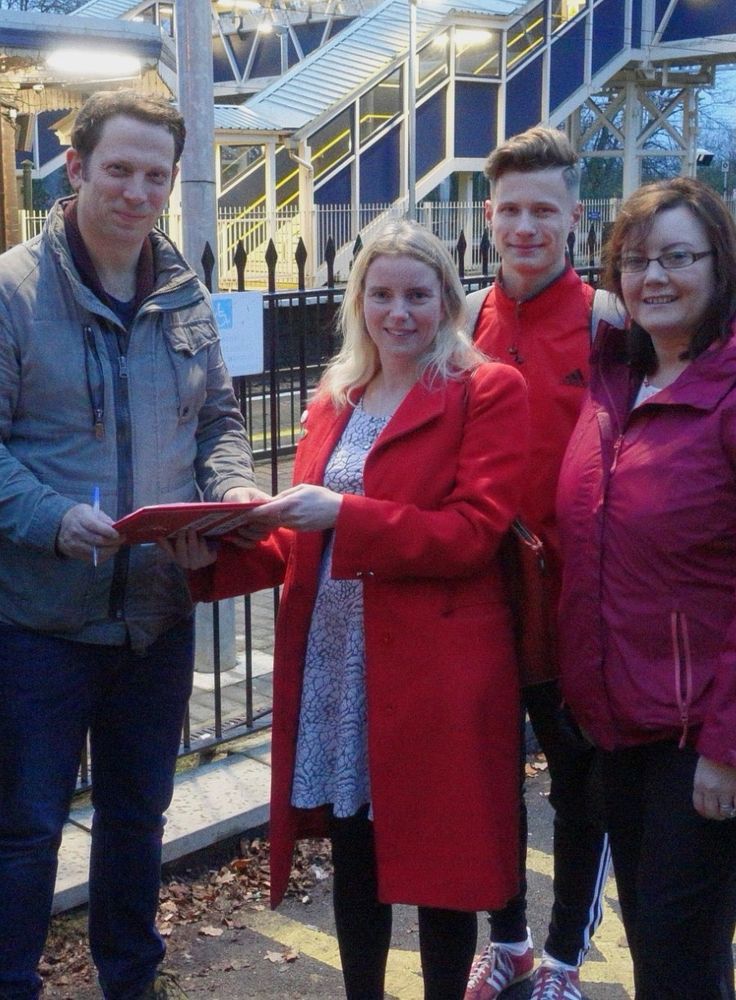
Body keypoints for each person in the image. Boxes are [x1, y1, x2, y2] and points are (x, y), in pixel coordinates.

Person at [174, 220, 528, 999]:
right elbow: (305, 542)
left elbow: (473, 535)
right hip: (340, 664)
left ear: (447, 300)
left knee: (442, 872)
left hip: (430, 669)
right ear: (357, 301)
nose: (398, 311)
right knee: (355, 854)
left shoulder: (487, 389)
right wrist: (218, 552)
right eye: (380, 293)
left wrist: (345, 513)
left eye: (416, 294)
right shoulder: (339, 395)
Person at [0, 91, 262, 1000]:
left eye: (157, 174)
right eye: (119, 169)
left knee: (136, 818)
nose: (138, 190)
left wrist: (227, 490)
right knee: (26, 827)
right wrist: (49, 517)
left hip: (155, 609)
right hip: (40, 617)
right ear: (74, 170)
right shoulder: (12, 292)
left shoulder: (184, 291)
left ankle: (132, 981)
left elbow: (219, 421)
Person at [556, 177, 736, 999]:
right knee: (664, 941)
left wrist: (731, 748)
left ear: (722, 263)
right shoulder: (619, 379)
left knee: (675, 943)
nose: (654, 278)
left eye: (677, 256)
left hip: (704, 729)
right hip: (620, 716)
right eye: (635, 261)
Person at [463, 126, 620, 1000]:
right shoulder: (464, 320)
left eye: (544, 210)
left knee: (579, 787)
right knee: (489, 781)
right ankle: (510, 940)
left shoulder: (610, 321)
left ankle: (563, 956)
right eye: (512, 209)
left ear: (574, 217)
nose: (527, 227)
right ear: (489, 215)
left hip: (575, 600)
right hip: (483, 593)